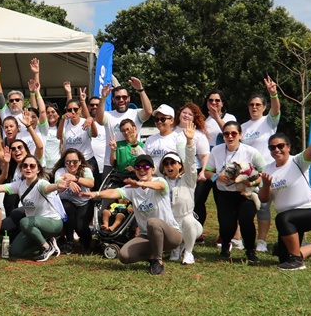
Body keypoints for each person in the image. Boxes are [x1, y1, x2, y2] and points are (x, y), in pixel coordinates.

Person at [258, 112, 311, 270]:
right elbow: (264, 199)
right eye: (272, 147)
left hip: (309, 211)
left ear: (288, 147)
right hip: (289, 220)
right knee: (283, 257)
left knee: (282, 218)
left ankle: (297, 261)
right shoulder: (267, 170)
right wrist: (265, 186)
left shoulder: (298, 161)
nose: (277, 150)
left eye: (280, 146)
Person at [83, 154, 181, 275]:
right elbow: (114, 192)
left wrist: (141, 184)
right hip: (147, 236)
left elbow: (160, 186)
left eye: (146, 166)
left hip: (171, 235)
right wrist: (96, 194)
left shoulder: (159, 181)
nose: (142, 169)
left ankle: (158, 261)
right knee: (124, 256)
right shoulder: (132, 188)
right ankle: (152, 256)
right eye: (138, 167)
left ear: (153, 169)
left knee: (153, 222)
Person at [0, 156, 65, 261]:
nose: (28, 168)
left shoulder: (41, 183)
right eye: (25, 166)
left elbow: (47, 188)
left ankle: (46, 247)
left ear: (38, 169)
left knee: (24, 222)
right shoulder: (19, 185)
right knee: (15, 252)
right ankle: (49, 243)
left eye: (32, 166)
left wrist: (57, 186)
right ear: (21, 168)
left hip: (53, 223)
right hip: (34, 225)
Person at [205, 120, 265, 263]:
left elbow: (264, 172)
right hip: (225, 194)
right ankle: (225, 246)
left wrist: (250, 182)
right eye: (226, 134)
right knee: (227, 225)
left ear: (240, 135)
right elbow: (207, 173)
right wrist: (218, 177)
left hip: (246, 194)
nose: (230, 136)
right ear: (223, 136)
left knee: (246, 220)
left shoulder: (250, 152)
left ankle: (250, 250)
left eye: (234, 133)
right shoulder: (216, 151)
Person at [242, 77, 282, 252]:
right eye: (251, 105)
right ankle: (240, 239)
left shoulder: (268, 122)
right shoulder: (243, 127)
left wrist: (273, 94)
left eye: (258, 105)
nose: (254, 107)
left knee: (264, 207)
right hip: (249, 174)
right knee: (248, 207)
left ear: (264, 107)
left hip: (267, 171)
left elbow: (276, 110)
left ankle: (262, 241)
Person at [159, 121, 201, 265]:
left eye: (173, 163)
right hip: (170, 223)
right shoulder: (161, 181)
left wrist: (189, 141)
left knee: (188, 221)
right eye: (166, 164)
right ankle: (176, 247)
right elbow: (147, 168)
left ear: (179, 165)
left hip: (189, 222)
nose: (169, 166)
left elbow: (190, 162)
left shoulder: (188, 179)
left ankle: (188, 252)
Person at [195, 89, 236, 228]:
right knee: (198, 198)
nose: (214, 103)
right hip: (207, 169)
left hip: (222, 167)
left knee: (221, 201)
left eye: (217, 100)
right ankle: (198, 230)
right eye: (210, 100)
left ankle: (224, 234)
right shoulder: (201, 119)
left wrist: (217, 117)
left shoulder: (229, 118)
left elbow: (230, 132)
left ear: (222, 103)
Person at [54, 148, 95, 254]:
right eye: (68, 162)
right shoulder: (60, 171)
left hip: (84, 202)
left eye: (74, 162)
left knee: (80, 227)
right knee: (67, 209)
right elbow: (58, 185)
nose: (71, 164)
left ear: (80, 162)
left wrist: (75, 178)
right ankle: (70, 241)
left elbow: (91, 183)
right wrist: (69, 183)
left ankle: (87, 241)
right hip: (67, 202)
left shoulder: (86, 170)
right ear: (64, 163)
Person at [96, 78, 153, 145]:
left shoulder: (136, 113)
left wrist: (141, 90)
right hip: (113, 151)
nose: (121, 100)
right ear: (113, 100)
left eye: (124, 97)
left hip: (134, 151)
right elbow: (99, 119)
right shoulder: (108, 115)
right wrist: (103, 97)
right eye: (118, 98)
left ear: (129, 99)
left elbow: (148, 111)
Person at [55, 89, 98, 176]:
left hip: (86, 160)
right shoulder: (65, 123)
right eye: (69, 110)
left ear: (80, 109)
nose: (73, 112)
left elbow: (94, 134)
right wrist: (62, 119)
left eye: (75, 109)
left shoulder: (85, 122)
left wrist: (91, 120)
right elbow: (59, 137)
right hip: (70, 163)